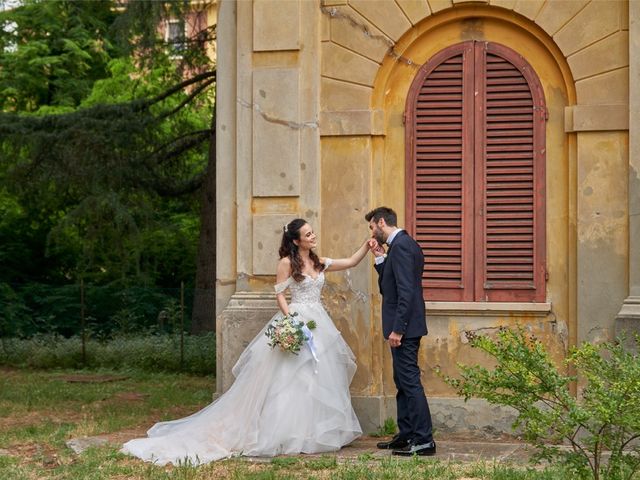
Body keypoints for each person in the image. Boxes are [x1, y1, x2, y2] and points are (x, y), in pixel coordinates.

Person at [121, 218, 370, 465]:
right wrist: (293, 321)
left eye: (313, 233)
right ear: (296, 240)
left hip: (319, 322)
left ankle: (313, 433)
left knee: (317, 377)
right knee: (289, 379)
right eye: (308, 234)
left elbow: (350, 261)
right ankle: (283, 433)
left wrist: (366, 245)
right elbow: (280, 295)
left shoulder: (319, 261)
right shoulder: (286, 263)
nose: (313, 237)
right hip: (297, 317)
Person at [366, 206, 436, 456]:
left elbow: (407, 292)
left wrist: (398, 330)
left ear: (381, 222)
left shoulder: (404, 246)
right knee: (402, 381)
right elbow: (391, 286)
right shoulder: (398, 247)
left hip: (404, 328)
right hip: (402, 326)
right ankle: (407, 435)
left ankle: (424, 440)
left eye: (372, 227)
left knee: (410, 382)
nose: (372, 231)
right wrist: (379, 256)